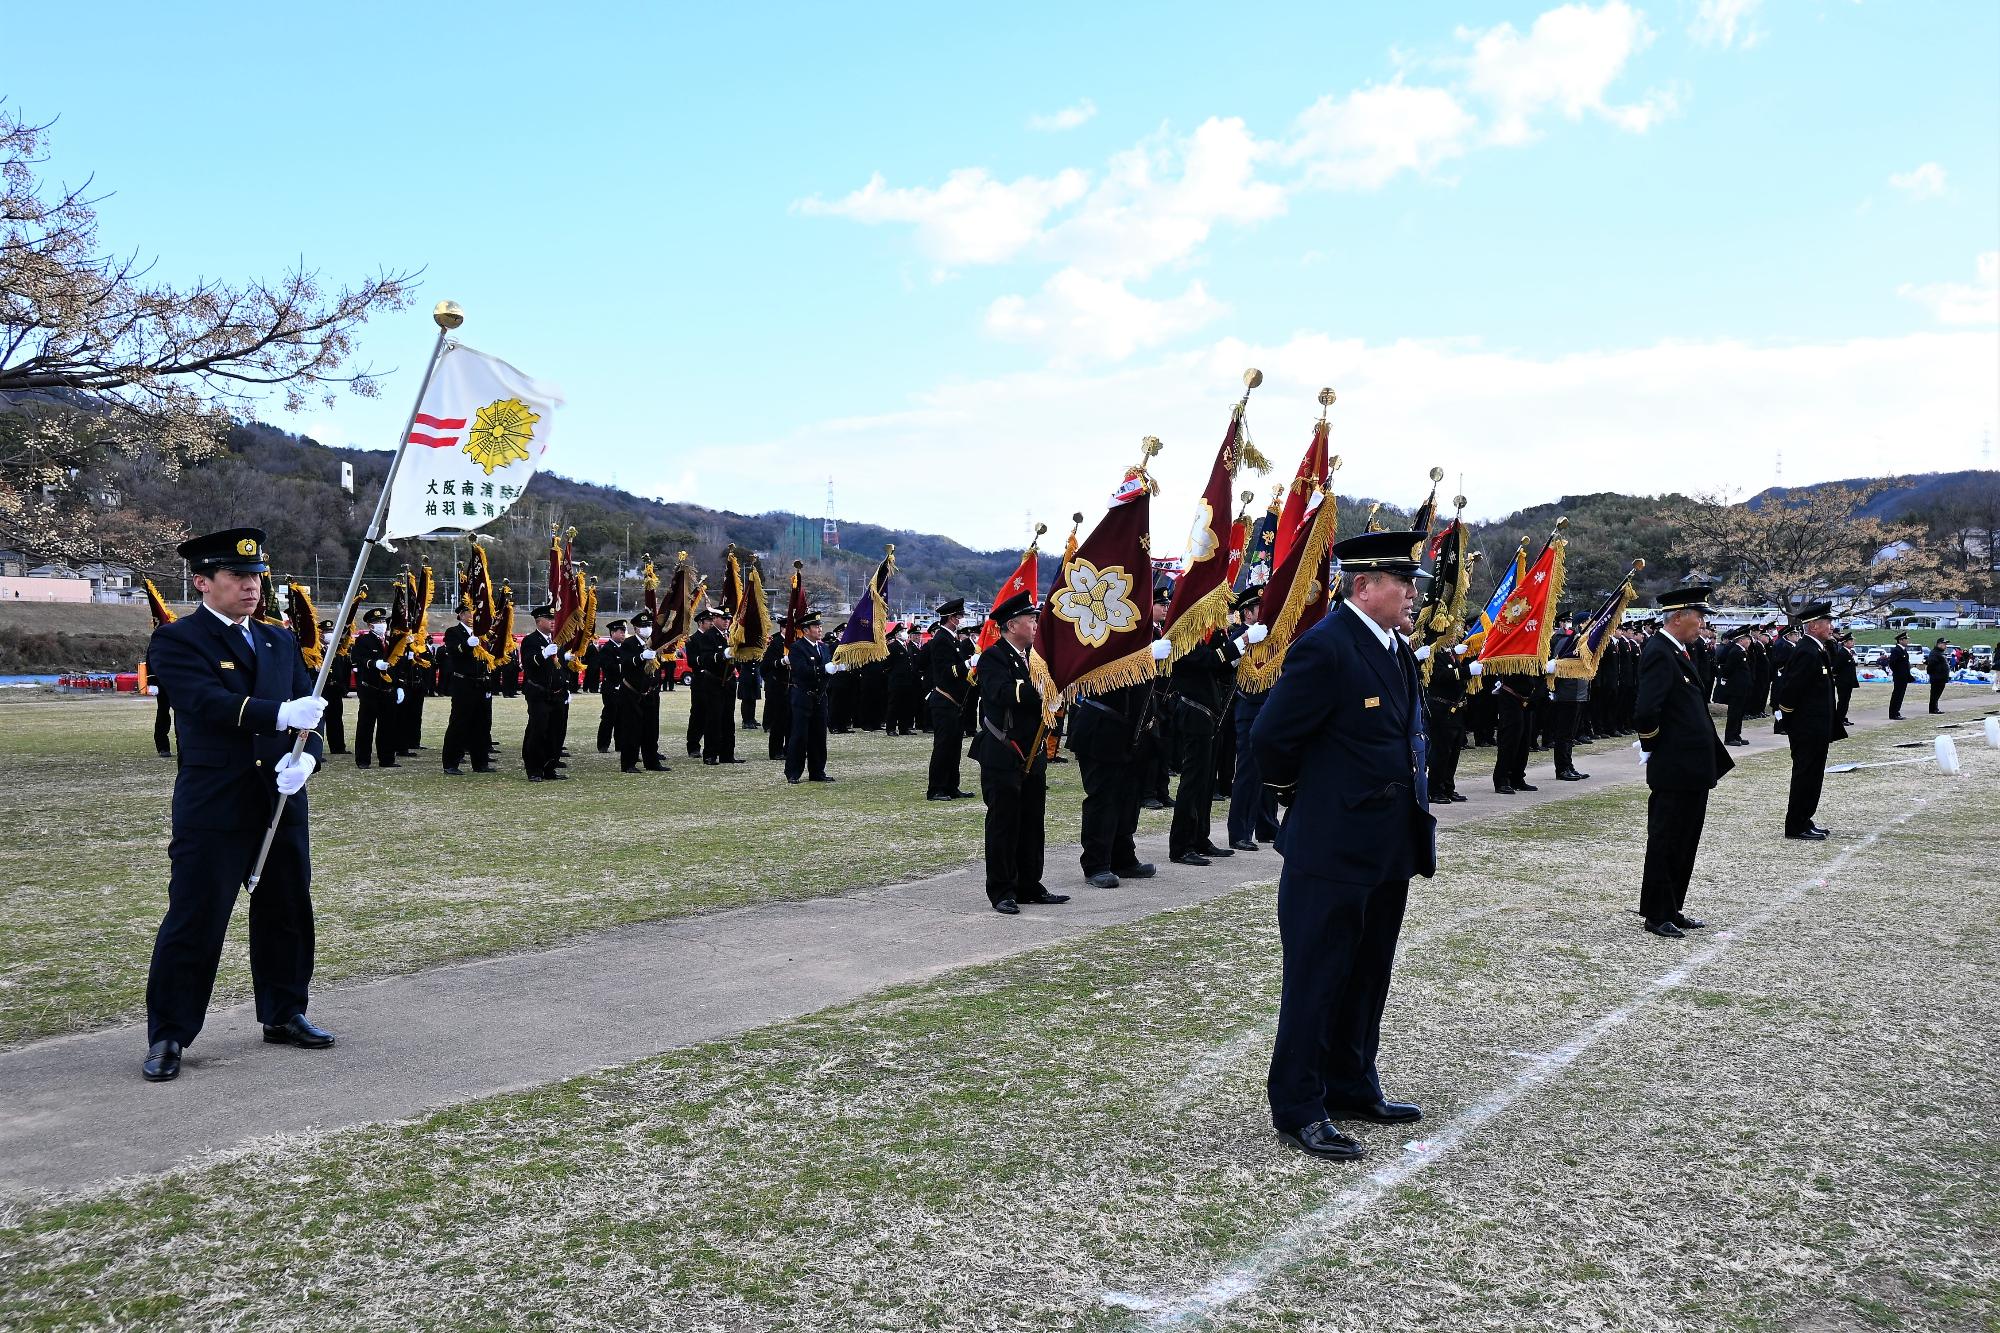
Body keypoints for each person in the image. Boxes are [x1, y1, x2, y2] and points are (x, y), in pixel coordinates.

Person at [1252, 529, 1435, 1162]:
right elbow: (1270, 740)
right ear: (1364, 586)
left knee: (1369, 971)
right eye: (1402, 582)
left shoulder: (1396, 650)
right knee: (1318, 977)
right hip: (1331, 849)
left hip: (1387, 844)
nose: (1413, 592)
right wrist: (1310, 800)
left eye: (1411, 581)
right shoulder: (1326, 648)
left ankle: (1352, 1083)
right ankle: (1299, 1104)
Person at [140, 527, 331, 1082]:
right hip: (216, 805)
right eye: (238, 577)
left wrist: (309, 758)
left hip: (278, 800)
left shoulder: (278, 640)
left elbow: (312, 716)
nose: (251, 587)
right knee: (196, 917)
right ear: (203, 582)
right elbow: (205, 702)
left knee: (287, 911)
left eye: (255, 577)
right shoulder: (179, 640)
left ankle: (285, 1011)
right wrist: (278, 716)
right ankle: (170, 1034)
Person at [1632, 587, 1734, 938]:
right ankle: (1656, 913)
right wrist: (1653, 747)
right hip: (1674, 766)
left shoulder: (1679, 651)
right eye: (1698, 615)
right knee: (1666, 838)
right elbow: (1647, 709)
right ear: (1678, 617)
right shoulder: (1660, 651)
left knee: (1686, 838)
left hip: (1691, 767)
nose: (1702, 623)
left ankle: (1672, 905)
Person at [968, 592, 1067, 915]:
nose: (1036, 625)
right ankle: (1002, 890)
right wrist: (1041, 687)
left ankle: (1029, 884)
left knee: (1031, 821)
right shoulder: (994, 657)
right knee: (1004, 823)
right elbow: (1000, 692)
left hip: (1032, 750)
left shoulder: (1033, 657)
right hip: (1003, 752)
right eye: (1031, 620)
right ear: (1012, 625)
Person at [1166, 618, 1249, 866]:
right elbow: (1208, 660)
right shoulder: (1184, 638)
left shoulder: (1202, 637)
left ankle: (1200, 836)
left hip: (1207, 713)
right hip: (1193, 712)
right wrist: (1241, 641)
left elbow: (1218, 667)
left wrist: (1236, 653)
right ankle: (1181, 845)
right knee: (1192, 780)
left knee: (1205, 781)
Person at [1067, 676, 1157, 889]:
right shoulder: (1110, 641)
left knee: (1128, 796)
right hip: (1102, 725)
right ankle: (1096, 864)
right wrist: (1142, 658)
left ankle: (1122, 857)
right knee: (1103, 797)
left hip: (1129, 730)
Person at [1775, 601, 1846, 841]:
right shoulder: (1806, 650)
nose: (1831, 626)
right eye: (1827, 622)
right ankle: (1796, 825)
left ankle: (1805, 818)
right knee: (1806, 775)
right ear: (1814, 626)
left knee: (1813, 776)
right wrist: (1792, 721)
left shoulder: (1817, 649)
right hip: (1807, 727)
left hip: (1816, 726)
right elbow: (1790, 690)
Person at [1228, 590, 1288, 844]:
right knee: (1248, 772)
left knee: (1269, 771)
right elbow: (1230, 663)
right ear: (1247, 613)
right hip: (1249, 709)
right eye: (1258, 609)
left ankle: (1266, 825)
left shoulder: (1268, 637)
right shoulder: (1238, 637)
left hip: (1269, 708)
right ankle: (1240, 832)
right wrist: (1245, 640)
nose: (1263, 614)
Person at [923, 599, 975, 800]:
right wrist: (968, 663)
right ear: (952, 618)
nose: (962, 619)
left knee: (954, 747)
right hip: (944, 700)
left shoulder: (952, 639)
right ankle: (935, 788)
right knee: (943, 746)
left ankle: (952, 786)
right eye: (960, 616)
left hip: (954, 702)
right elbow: (947, 672)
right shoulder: (941, 639)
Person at [440, 599, 495, 775]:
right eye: (470, 612)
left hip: (482, 682)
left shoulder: (483, 634)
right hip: (464, 683)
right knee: (459, 723)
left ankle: (480, 763)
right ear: (462, 615)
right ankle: (451, 763)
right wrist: (466, 645)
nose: (473, 615)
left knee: (482, 724)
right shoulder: (453, 632)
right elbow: (453, 651)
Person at [519, 604, 572, 782]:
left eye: (553, 619)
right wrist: (542, 654)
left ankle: (550, 768)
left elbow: (561, 669)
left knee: (556, 732)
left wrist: (566, 686)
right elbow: (528, 663)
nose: (552, 622)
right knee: (538, 731)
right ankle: (534, 769)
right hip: (539, 694)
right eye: (549, 619)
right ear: (538, 621)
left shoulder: (557, 640)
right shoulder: (531, 640)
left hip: (557, 694)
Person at [617, 611, 671, 773]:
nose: (646, 629)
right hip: (632, 693)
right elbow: (626, 663)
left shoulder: (654, 643)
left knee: (651, 729)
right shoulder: (629, 643)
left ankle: (652, 761)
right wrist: (641, 656)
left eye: (649, 625)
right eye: (643, 626)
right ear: (635, 628)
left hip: (651, 692)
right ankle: (629, 764)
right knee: (632, 729)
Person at [785, 613, 832, 783]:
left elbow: (826, 670)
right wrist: (824, 669)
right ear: (806, 630)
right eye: (816, 627)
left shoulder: (824, 648)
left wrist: (834, 669)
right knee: (799, 736)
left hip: (819, 697)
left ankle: (817, 772)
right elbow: (801, 670)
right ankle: (793, 772)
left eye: (820, 626)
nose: (820, 630)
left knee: (819, 736)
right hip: (803, 696)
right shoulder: (797, 648)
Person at [350, 607, 398, 768]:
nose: (382, 624)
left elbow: (397, 665)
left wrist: (398, 686)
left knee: (388, 726)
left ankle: (387, 759)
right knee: (366, 725)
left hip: (387, 689)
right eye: (378, 622)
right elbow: (358, 658)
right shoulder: (364, 640)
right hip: (370, 688)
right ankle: (363, 760)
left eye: (383, 621)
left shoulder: (391, 641)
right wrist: (373, 663)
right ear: (370, 625)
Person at [761, 630, 791, 760]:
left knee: (791, 721)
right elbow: (766, 666)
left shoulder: (795, 642)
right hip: (779, 686)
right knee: (778, 721)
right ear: (784, 628)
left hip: (792, 686)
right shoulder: (776, 643)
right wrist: (782, 662)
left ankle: (790, 749)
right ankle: (776, 751)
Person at [885, 624, 918, 736]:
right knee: (894, 705)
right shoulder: (892, 646)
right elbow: (886, 664)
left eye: (905, 630)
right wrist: (893, 674)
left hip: (907, 681)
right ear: (897, 633)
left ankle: (904, 728)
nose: (905, 632)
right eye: (902, 630)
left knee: (905, 705)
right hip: (896, 681)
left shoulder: (906, 646)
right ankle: (891, 728)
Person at [1832, 630, 1859, 727]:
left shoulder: (1849, 652)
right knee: (1843, 701)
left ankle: (1843, 717)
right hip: (1843, 682)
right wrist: (1839, 679)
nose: (1853, 642)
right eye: (1851, 641)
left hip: (1848, 682)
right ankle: (1839, 719)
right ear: (1845, 642)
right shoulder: (1842, 653)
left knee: (1846, 701)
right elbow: (1836, 669)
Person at [1886, 630, 1913, 719]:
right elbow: (1892, 663)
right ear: (1900, 640)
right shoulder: (1896, 650)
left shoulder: (1903, 650)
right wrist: (1898, 673)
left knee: (1900, 695)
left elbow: (1906, 664)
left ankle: (1897, 712)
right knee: (1897, 695)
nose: (1907, 641)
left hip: (1904, 677)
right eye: (1905, 639)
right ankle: (1893, 713)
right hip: (1899, 677)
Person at [1924, 637, 1951, 714]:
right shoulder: (1935, 653)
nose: (1945, 646)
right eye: (1944, 644)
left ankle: (1935, 707)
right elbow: (1931, 665)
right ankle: (1933, 709)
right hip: (1937, 678)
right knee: (1935, 694)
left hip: (1941, 677)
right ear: (1939, 644)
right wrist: (1936, 674)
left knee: (1937, 694)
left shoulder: (1939, 653)